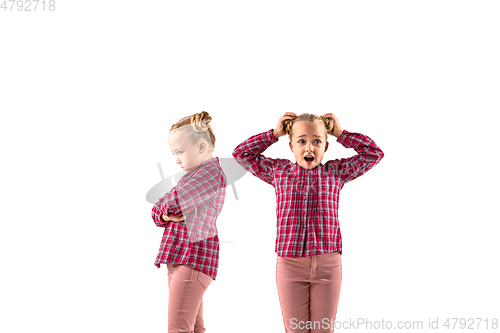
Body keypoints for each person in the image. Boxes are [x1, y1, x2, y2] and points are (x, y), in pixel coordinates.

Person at [232, 112, 384, 333]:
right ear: (291, 146)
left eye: (317, 141)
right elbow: (241, 154)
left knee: (324, 330)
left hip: (328, 265)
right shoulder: (278, 171)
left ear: (326, 147)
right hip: (289, 265)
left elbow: (373, 154)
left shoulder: (336, 172)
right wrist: (273, 134)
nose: (309, 148)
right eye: (301, 141)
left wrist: (342, 134)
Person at [151, 111, 227, 333]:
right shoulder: (190, 177)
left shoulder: (211, 173)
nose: (176, 158)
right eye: (174, 153)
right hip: (180, 260)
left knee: (179, 328)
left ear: (202, 147)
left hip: (192, 259)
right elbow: (158, 211)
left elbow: (174, 203)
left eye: (180, 152)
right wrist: (164, 212)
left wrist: (166, 206)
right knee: (193, 328)